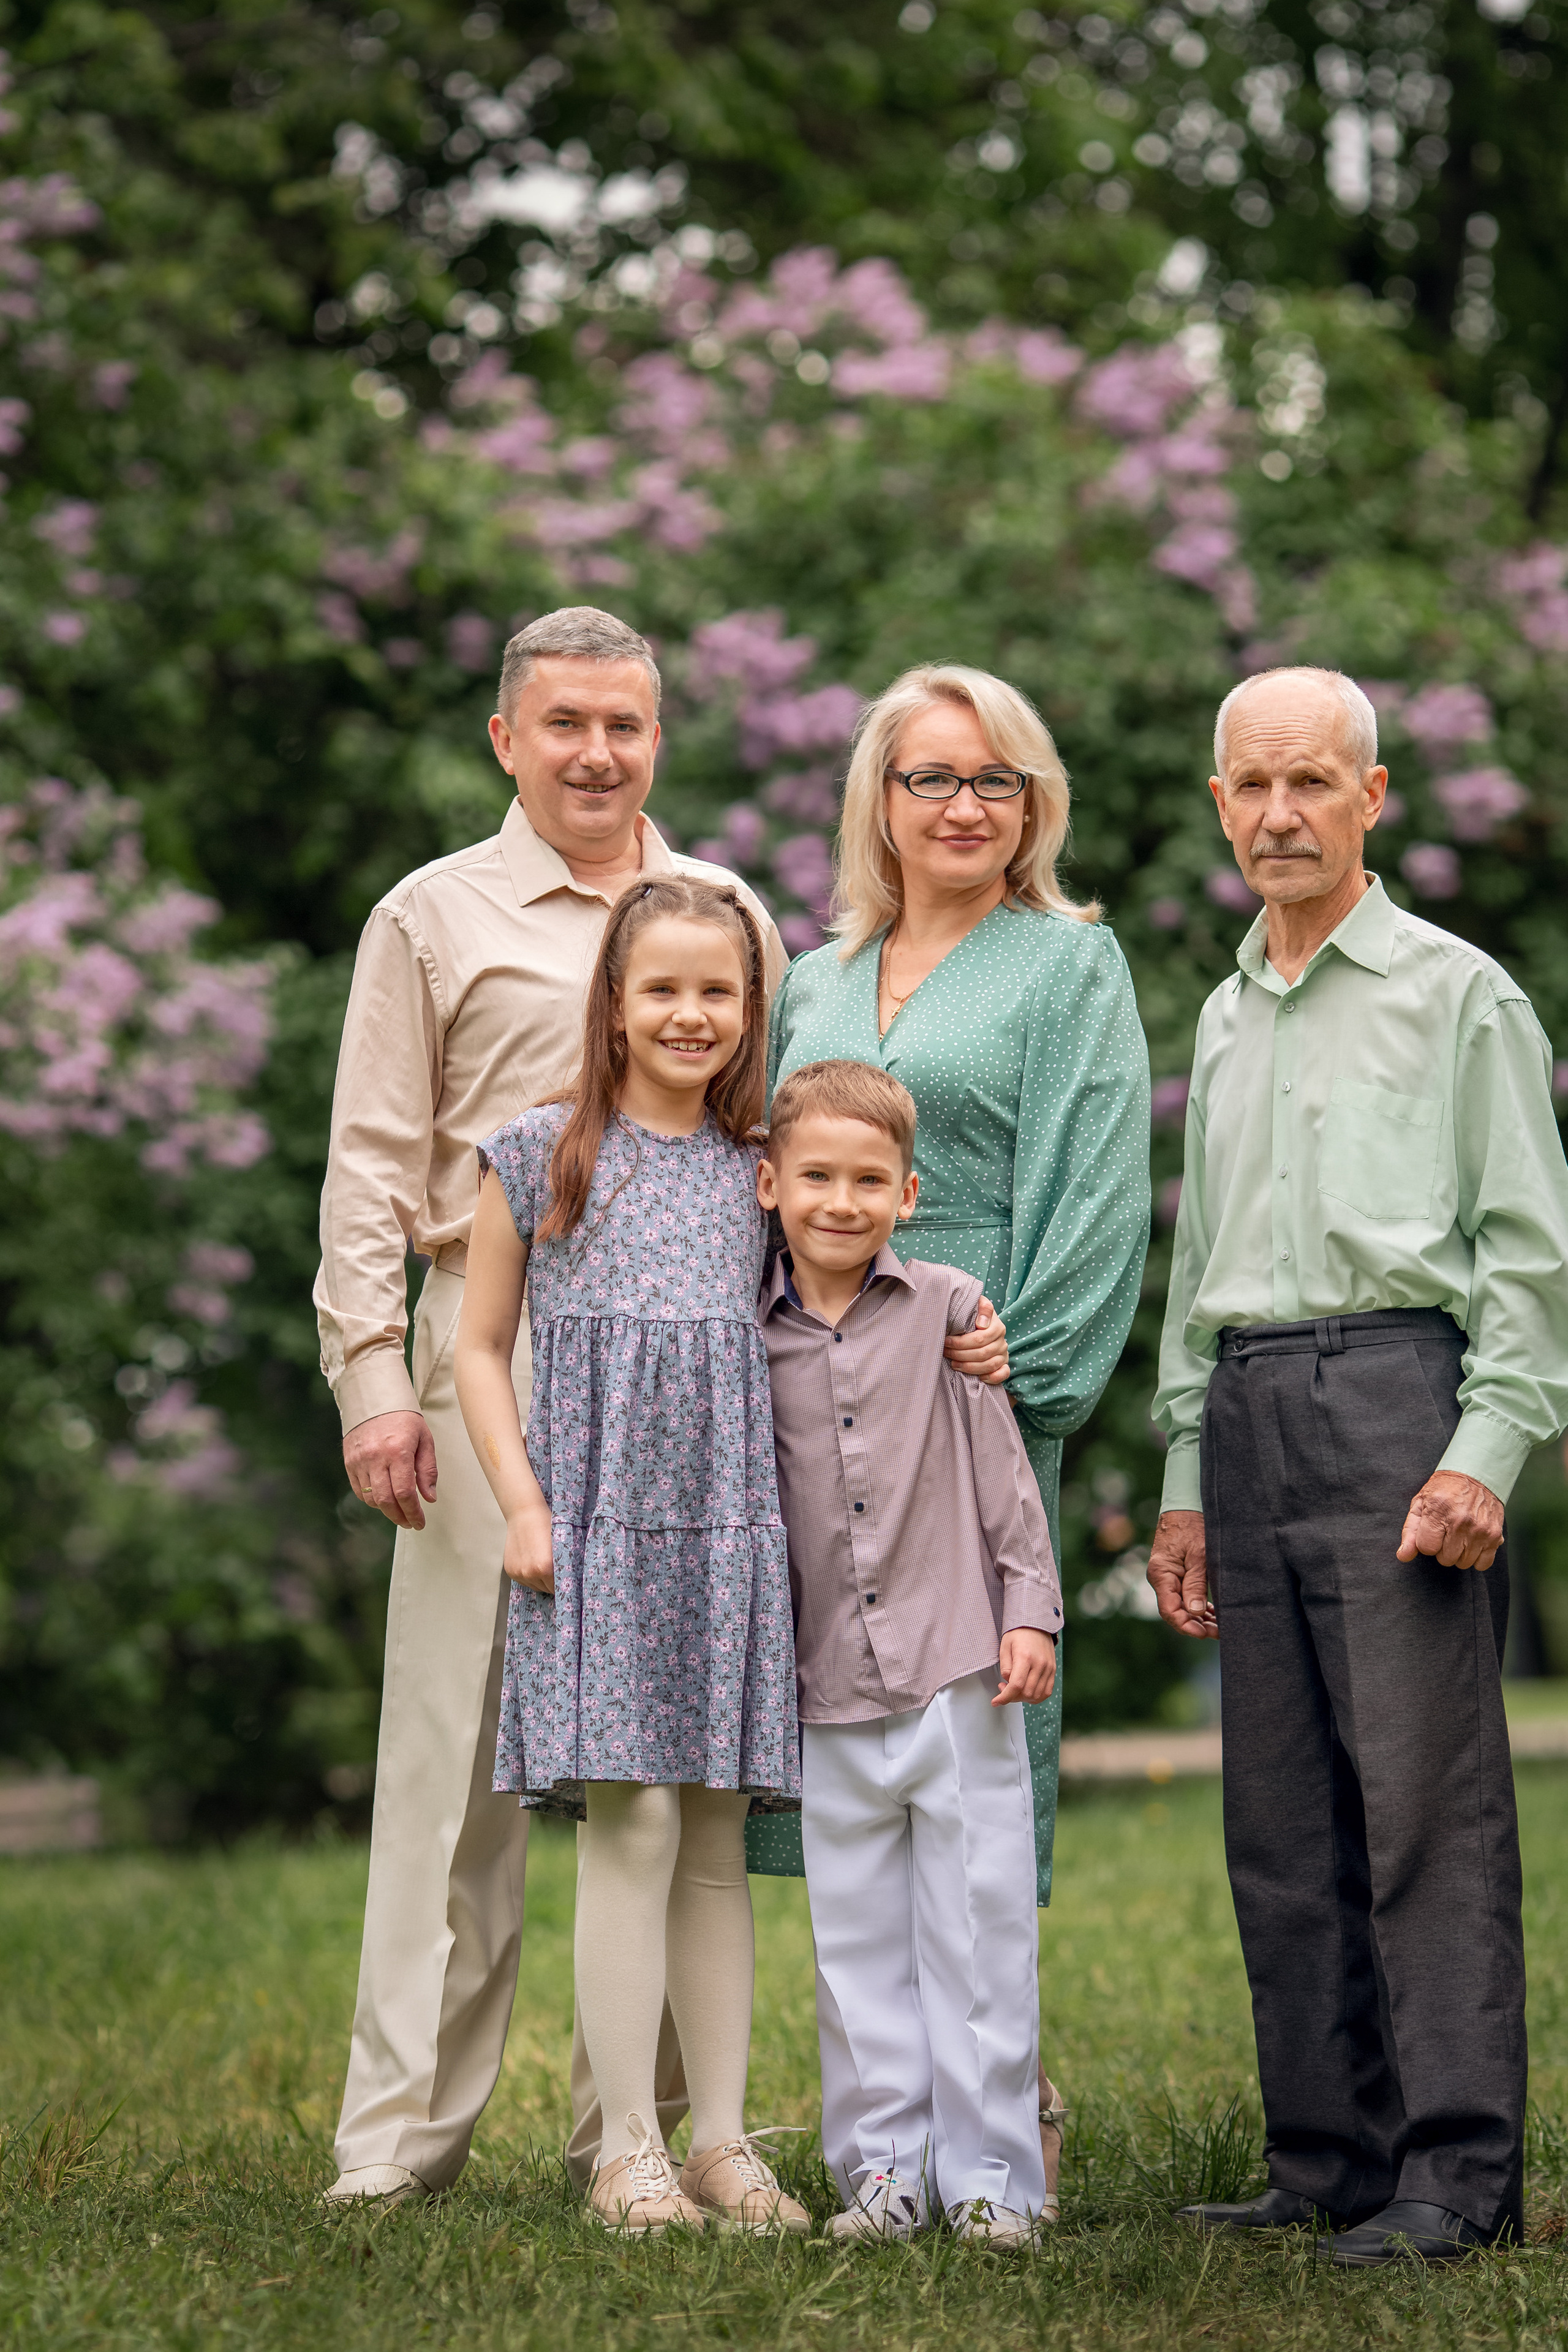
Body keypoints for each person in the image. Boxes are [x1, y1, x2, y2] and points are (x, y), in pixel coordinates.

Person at [314, 607, 786, 2207]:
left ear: (659, 739)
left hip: (683, 1387)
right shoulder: (431, 915)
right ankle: (401, 2144)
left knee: (658, 1766)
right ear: (509, 739)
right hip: (488, 1354)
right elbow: (374, 1165)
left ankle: (636, 2140)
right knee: (459, 1777)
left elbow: (764, 1152)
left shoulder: (725, 913)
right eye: (565, 723)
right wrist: (375, 1378)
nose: (597, 752)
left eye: (626, 726)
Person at [1148, 665, 1568, 2267]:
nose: (1279, 815)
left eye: (1312, 783)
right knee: (1283, 1816)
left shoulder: (1463, 994)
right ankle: (1327, 2153)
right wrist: (1185, 1466)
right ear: (1219, 805)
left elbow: (1531, 1250)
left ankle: (1457, 2176)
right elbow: (1204, 1261)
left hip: (1403, 1400)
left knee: (1424, 1811)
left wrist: (1489, 1444)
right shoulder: (1226, 1005)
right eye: (1251, 786)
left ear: (1373, 798)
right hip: (1247, 1410)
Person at [767, 662, 1150, 2195]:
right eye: (931, 776)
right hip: (814, 1411)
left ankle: (1006, 2113)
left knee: (973, 1763)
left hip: (972, 1399)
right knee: (847, 1769)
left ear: (1032, 805)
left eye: (995, 780)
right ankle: (881, 2131)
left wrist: (1022, 1370)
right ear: (880, 797)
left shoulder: (1066, 965)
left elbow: (1098, 1187)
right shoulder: (809, 975)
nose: (963, 807)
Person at [453, 876, 807, 2236]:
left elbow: (843, 1289)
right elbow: (481, 1348)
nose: (688, 1013)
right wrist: (523, 1504)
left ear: (748, 1009)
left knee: (714, 1832)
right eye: (660, 987)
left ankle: (722, 2141)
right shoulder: (538, 1151)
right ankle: (624, 2150)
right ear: (612, 999)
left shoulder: (760, 1167)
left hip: (727, 1525)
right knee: (634, 1820)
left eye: (716, 991)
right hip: (591, 1524)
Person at [758, 1058, 1064, 2248]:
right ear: (770, 1182)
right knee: (856, 1946)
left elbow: (1000, 1478)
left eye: (867, 1179)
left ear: (906, 1190)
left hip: (955, 1671)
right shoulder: (751, 1335)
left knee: (979, 1929)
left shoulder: (947, 1310)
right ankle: (881, 2180)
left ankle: (993, 2185)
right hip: (823, 1685)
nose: (841, 1200)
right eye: (817, 1176)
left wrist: (1028, 1608)